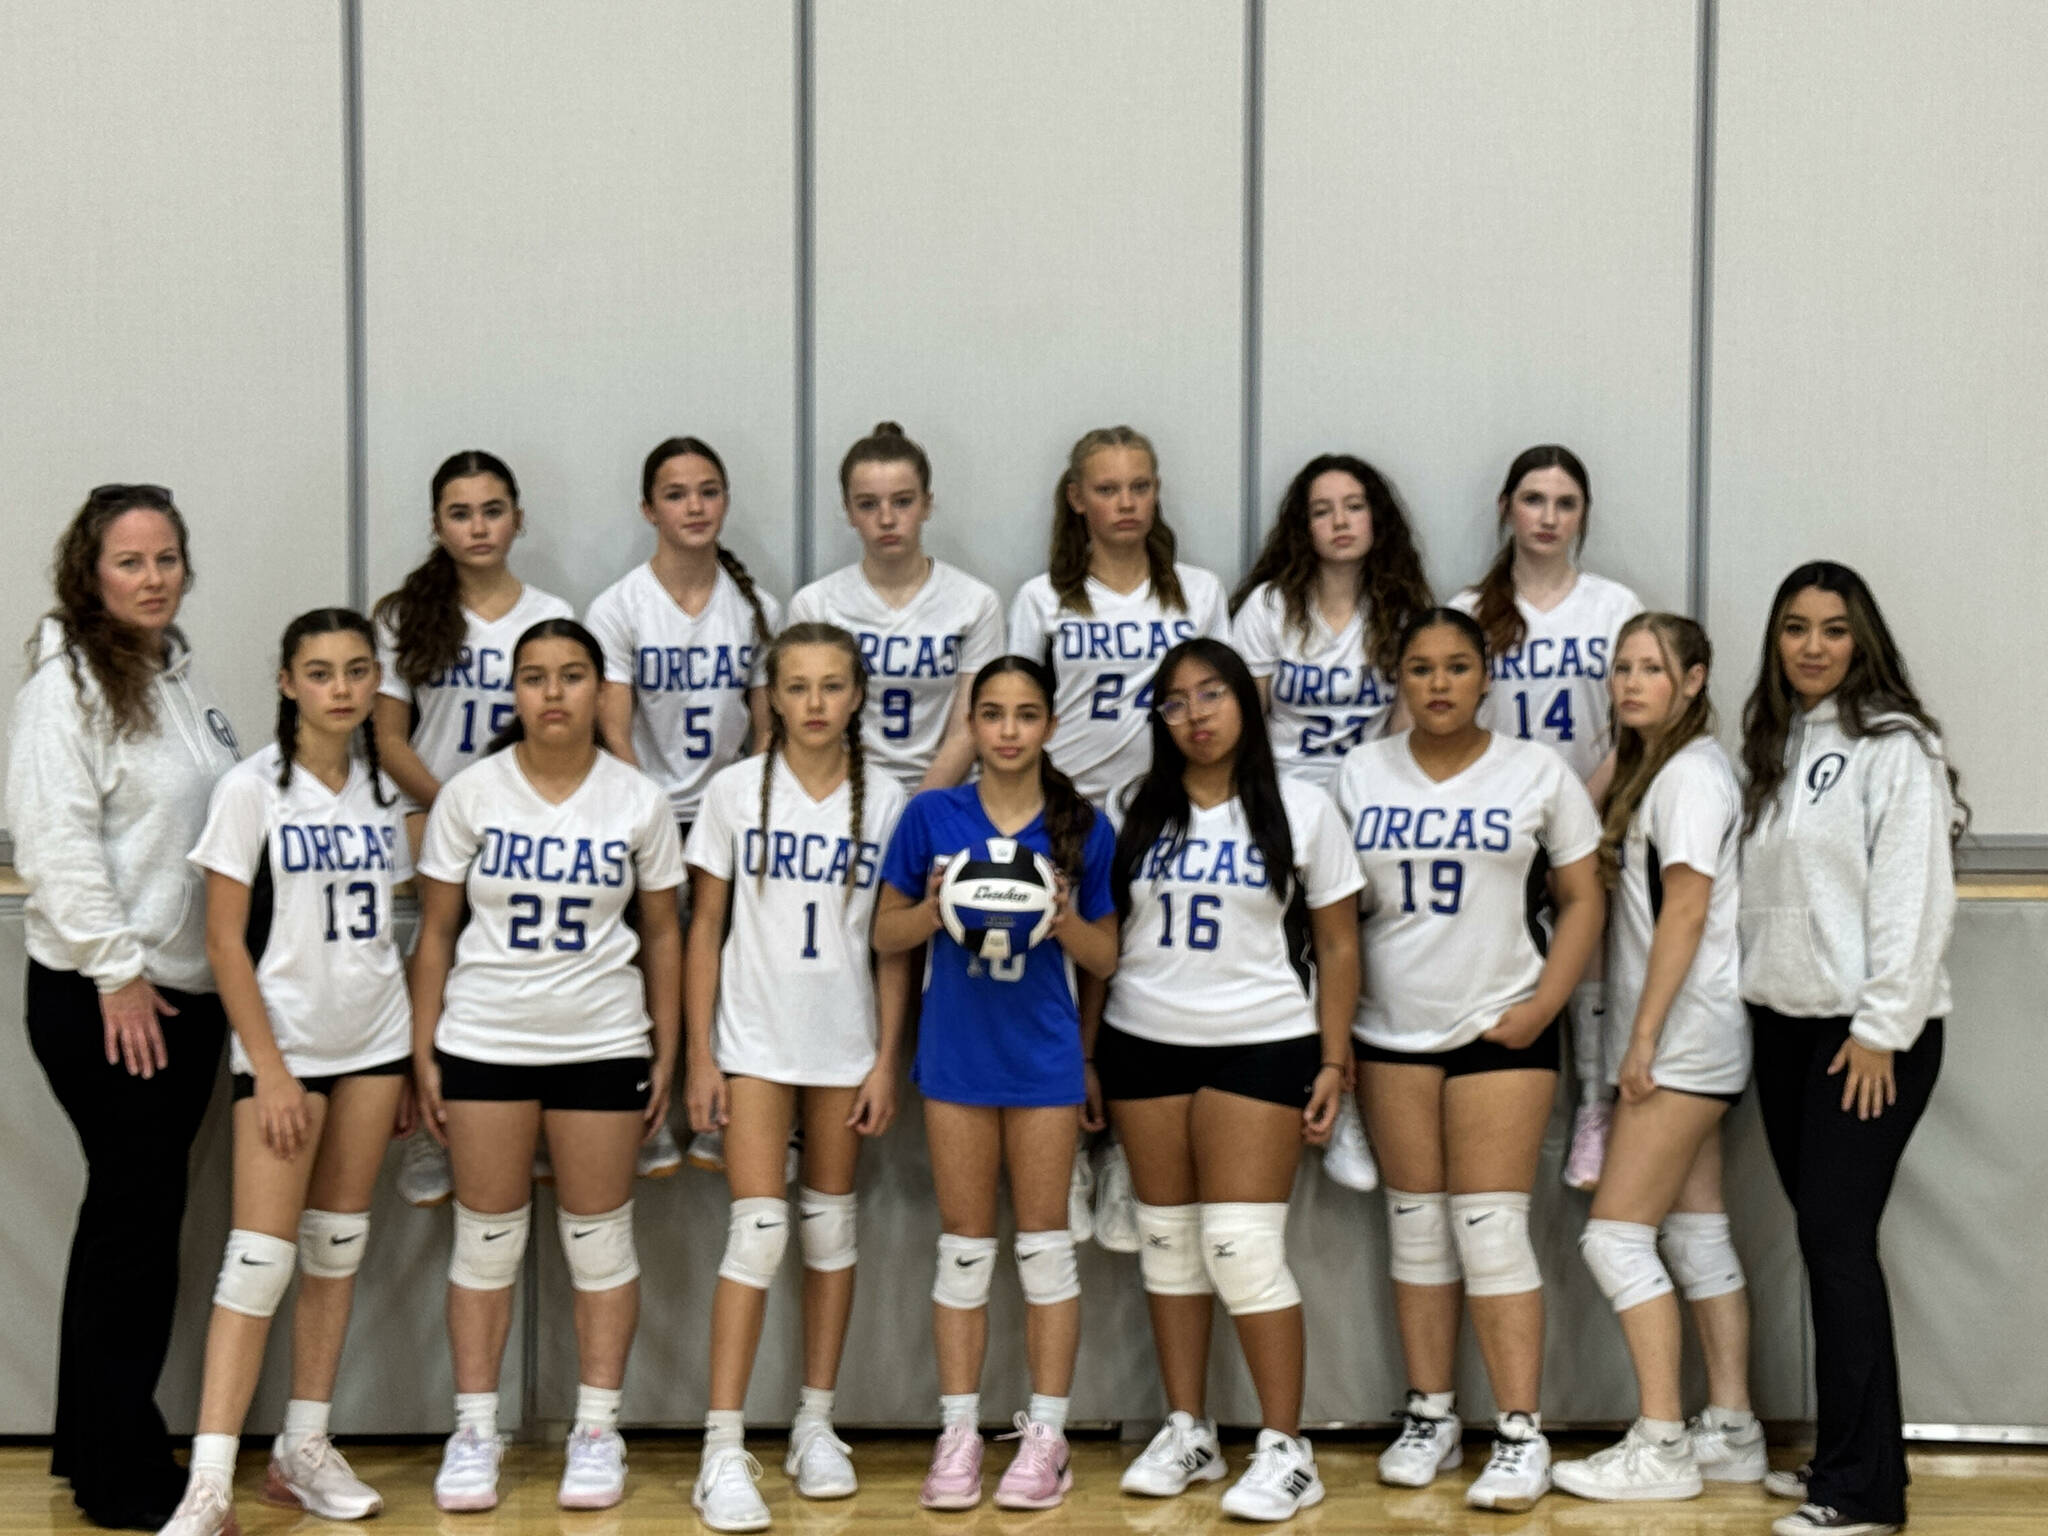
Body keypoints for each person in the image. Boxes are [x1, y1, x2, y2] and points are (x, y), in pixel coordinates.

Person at [1333, 608, 1605, 1514]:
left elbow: (1582, 898)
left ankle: (1520, 1429)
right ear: (1397, 679)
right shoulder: (1358, 773)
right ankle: (1433, 1414)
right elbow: (1333, 914)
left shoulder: (1536, 770)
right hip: (1390, 1030)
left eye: (1457, 666)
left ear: (1485, 676)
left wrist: (1543, 1007)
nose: (1439, 683)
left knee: (1490, 1232)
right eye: (1420, 668)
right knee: (1418, 1228)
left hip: (1502, 1029)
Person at [410, 619, 684, 1514]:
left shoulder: (635, 798)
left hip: (604, 1040)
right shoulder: (470, 794)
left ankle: (596, 1430)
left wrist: (669, 1047)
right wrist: (425, 1048)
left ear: (599, 690)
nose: (553, 694)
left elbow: (665, 934)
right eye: (535, 677)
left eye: (572, 677)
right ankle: (475, 1430)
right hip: (487, 1037)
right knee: (486, 1243)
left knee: (599, 1243)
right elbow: (439, 931)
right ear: (514, 691)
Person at [8, 484, 240, 1530]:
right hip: (111, 1001)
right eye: (130, 563)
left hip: (176, 994)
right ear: (89, 574)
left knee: (127, 1225)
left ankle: (92, 1440)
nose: (153, 579)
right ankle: (120, 1476)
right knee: (135, 1234)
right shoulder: (69, 686)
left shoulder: (169, 680)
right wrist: (117, 972)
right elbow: (54, 843)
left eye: (166, 559)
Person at [157, 610, 413, 1536]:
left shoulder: (389, 795)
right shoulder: (252, 789)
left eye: (355, 671)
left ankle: (302, 1450)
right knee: (258, 1262)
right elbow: (223, 938)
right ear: (286, 682)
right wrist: (267, 1069)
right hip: (286, 1055)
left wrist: (413, 1058)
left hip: (376, 1044)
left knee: (336, 1249)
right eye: (319, 671)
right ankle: (211, 1482)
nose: (340, 688)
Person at [1095, 639, 1361, 1521]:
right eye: (1174, 702)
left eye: (1212, 694)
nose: (1196, 714)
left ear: (1245, 701)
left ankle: (1288, 1448)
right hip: (1143, 1042)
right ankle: (1189, 1429)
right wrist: (1091, 1054)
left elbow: (1337, 942)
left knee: (1242, 1251)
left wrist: (1333, 1057)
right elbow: (1106, 943)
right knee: (1169, 1247)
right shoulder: (1132, 806)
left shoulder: (1303, 806)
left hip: (1262, 1042)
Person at [1738, 563, 1960, 1536]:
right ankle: (1846, 1456)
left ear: (1859, 639)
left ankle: (1862, 1493)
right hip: (1780, 1030)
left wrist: (1877, 1030)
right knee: (1826, 1246)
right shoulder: (1770, 746)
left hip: (1864, 1039)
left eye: (1832, 629)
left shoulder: (1893, 747)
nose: (1812, 646)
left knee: (1835, 1246)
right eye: (1794, 628)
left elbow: (1910, 900)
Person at [873, 656, 1120, 1513]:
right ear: (971, 725)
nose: (1009, 729)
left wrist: (1059, 915)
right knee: (965, 1249)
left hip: (1046, 1059)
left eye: (1026, 713)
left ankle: (1046, 1437)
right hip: (955, 1057)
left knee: (1046, 1248)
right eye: (992, 714)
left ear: (1049, 724)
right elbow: (886, 934)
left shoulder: (1082, 824)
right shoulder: (931, 817)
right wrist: (936, 907)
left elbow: (1106, 957)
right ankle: (958, 1432)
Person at [681, 623, 911, 1531]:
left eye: (832, 686)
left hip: (845, 1046)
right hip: (756, 1040)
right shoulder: (736, 792)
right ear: (771, 697)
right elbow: (705, 927)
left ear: (858, 697)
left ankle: (816, 1424)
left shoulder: (889, 802)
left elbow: (896, 951)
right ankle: (722, 1444)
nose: (815, 703)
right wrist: (699, 1050)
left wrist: (888, 1060)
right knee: (758, 1232)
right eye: (798, 687)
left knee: (829, 1232)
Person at [1550, 614, 1762, 1503]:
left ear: (1696, 680)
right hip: (1690, 1038)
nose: (1632, 683)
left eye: (1653, 669)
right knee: (1694, 1228)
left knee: (1615, 1237)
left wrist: (1639, 1043)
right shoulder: (1663, 769)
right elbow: (1581, 804)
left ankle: (1663, 1441)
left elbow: (1685, 913)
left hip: (1680, 1042)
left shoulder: (1692, 779)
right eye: (1622, 668)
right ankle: (1733, 1428)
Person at [370, 451, 577, 1205]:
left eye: (492, 510)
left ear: (518, 519)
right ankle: (431, 1131)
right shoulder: (401, 617)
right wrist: (460, 807)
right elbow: (389, 740)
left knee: (529, 964)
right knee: (439, 966)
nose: (478, 526)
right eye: (460, 513)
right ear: (437, 526)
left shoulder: (552, 616)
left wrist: (507, 814)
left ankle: (547, 1120)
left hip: (529, 820)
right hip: (431, 814)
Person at [1230, 451, 1433, 1195]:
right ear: (1302, 526)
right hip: (1281, 800)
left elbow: (1408, 731)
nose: (1340, 522)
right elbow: (1242, 725)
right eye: (1323, 510)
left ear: (1377, 518)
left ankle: (1345, 1092)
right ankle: (1325, 1090)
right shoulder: (1267, 609)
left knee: (1367, 949)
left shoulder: (1403, 612)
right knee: (1298, 948)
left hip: (1368, 796)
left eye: (1353, 506)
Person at [586, 435, 782, 1179]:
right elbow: (612, 722)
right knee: (647, 963)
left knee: (730, 961)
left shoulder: (756, 606)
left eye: (708, 491)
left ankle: (720, 1106)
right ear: (648, 509)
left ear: (725, 501)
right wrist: (647, 815)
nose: (694, 507)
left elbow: (766, 722)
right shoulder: (619, 606)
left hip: (727, 810)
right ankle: (652, 1108)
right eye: (676, 494)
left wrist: (741, 801)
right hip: (649, 810)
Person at [1451, 444, 1643, 1192]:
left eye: (1565, 504)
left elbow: (1636, 723)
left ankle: (1595, 1105)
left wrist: (1579, 806)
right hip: (1500, 825)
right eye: (1534, 500)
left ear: (1582, 516)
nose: (1548, 517)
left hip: (1592, 808)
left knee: (1589, 942)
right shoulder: (1470, 610)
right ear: (1506, 507)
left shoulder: (1614, 605)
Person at [1007, 425, 1229, 807]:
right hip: (1068, 798)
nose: (1126, 503)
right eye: (1107, 490)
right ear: (1077, 497)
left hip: (1173, 798)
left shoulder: (1200, 591)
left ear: (1155, 491)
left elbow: (1225, 703)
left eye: (1139, 487)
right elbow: (1016, 708)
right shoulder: (1041, 598)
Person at [787, 422, 1005, 795]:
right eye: (868, 504)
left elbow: (968, 729)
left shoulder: (976, 602)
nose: (887, 519)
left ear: (927, 504)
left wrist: (916, 814)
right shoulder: (816, 604)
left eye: (902, 501)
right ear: (849, 511)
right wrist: (869, 804)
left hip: (944, 796)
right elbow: (810, 722)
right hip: (845, 795)